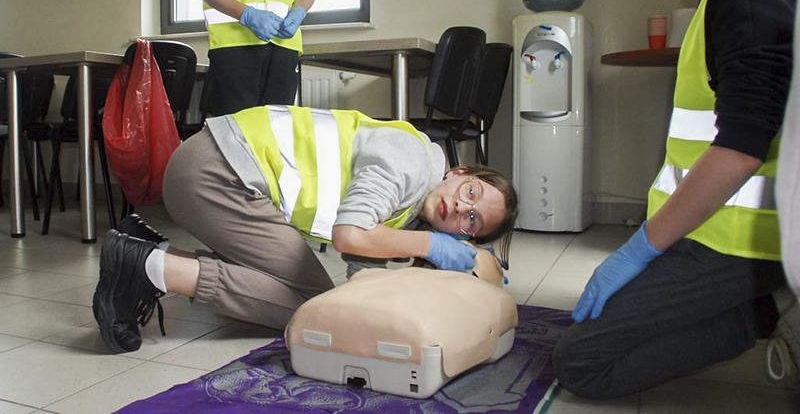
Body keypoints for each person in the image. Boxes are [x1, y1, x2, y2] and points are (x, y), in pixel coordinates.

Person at [552, 0, 800, 398]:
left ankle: (758, 313)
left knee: (579, 361)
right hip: (746, 230)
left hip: (735, 241)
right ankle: (756, 303)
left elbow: (740, 147)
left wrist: (640, 248)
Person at [93, 105, 519, 354]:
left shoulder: (403, 213)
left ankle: (148, 246)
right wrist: (432, 243)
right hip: (214, 173)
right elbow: (350, 236)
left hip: (216, 166)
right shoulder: (411, 163)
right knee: (314, 304)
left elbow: (361, 281)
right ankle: (148, 266)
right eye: (470, 191)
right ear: (459, 171)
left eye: (471, 220)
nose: (461, 206)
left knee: (328, 300)